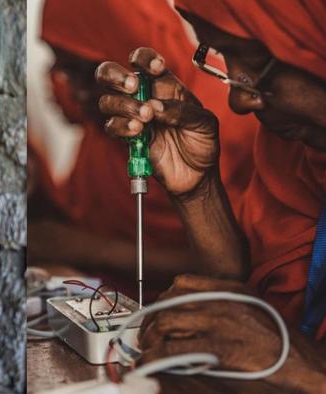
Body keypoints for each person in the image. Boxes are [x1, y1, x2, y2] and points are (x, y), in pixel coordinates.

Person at [95, 0, 326, 391]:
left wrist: (304, 364)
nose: (239, 100)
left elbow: (267, 349)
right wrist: (198, 194)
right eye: (224, 56)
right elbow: (241, 323)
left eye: (257, 62)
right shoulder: (294, 157)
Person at [29, 0, 259, 294]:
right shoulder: (110, 125)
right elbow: (76, 220)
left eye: (85, 71)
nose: (76, 92)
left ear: (127, 49)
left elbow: (244, 261)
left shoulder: (229, 116)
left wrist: (93, 250)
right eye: (64, 71)